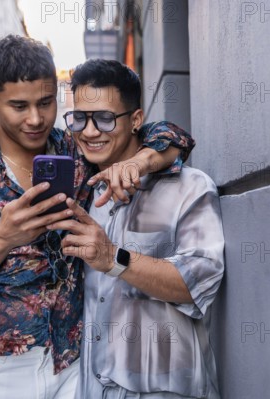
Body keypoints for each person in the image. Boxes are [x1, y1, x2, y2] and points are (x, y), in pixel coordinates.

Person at [0, 35, 194, 399]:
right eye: (19, 106)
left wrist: (139, 161)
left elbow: (172, 136)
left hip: (73, 367)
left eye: (46, 103)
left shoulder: (77, 151)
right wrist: (2, 236)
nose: (35, 119)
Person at [48, 59, 224, 398]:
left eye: (104, 118)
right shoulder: (83, 190)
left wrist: (113, 257)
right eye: (80, 117)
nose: (89, 131)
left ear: (137, 121)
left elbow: (197, 285)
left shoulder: (191, 188)